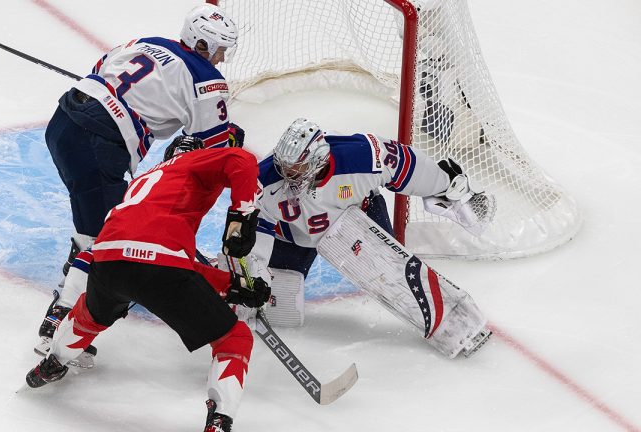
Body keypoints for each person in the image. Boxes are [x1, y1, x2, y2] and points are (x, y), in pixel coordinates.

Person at [36, 3, 246, 365]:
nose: (222, 59)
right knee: (109, 237)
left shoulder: (147, 42)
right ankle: (57, 324)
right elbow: (211, 146)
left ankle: (76, 275)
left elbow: (100, 69)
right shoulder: (206, 80)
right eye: (220, 50)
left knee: (101, 222)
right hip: (97, 142)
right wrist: (232, 138)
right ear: (202, 45)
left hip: (63, 123)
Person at [26, 136, 270, 432]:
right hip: (159, 264)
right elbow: (241, 160)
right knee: (234, 339)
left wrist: (230, 285)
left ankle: (52, 363)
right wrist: (243, 215)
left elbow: (158, 257)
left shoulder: (145, 180)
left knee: (89, 315)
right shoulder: (192, 161)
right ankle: (219, 422)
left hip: (108, 258)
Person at [244, 118, 495, 355]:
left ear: (317, 161)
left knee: (392, 273)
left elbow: (407, 166)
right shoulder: (263, 179)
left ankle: (458, 325)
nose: (286, 172)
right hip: (294, 237)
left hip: (358, 220)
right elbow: (254, 225)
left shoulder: (362, 157)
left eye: (295, 167)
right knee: (278, 305)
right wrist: (252, 271)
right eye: (284, 164)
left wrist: (447, 187)